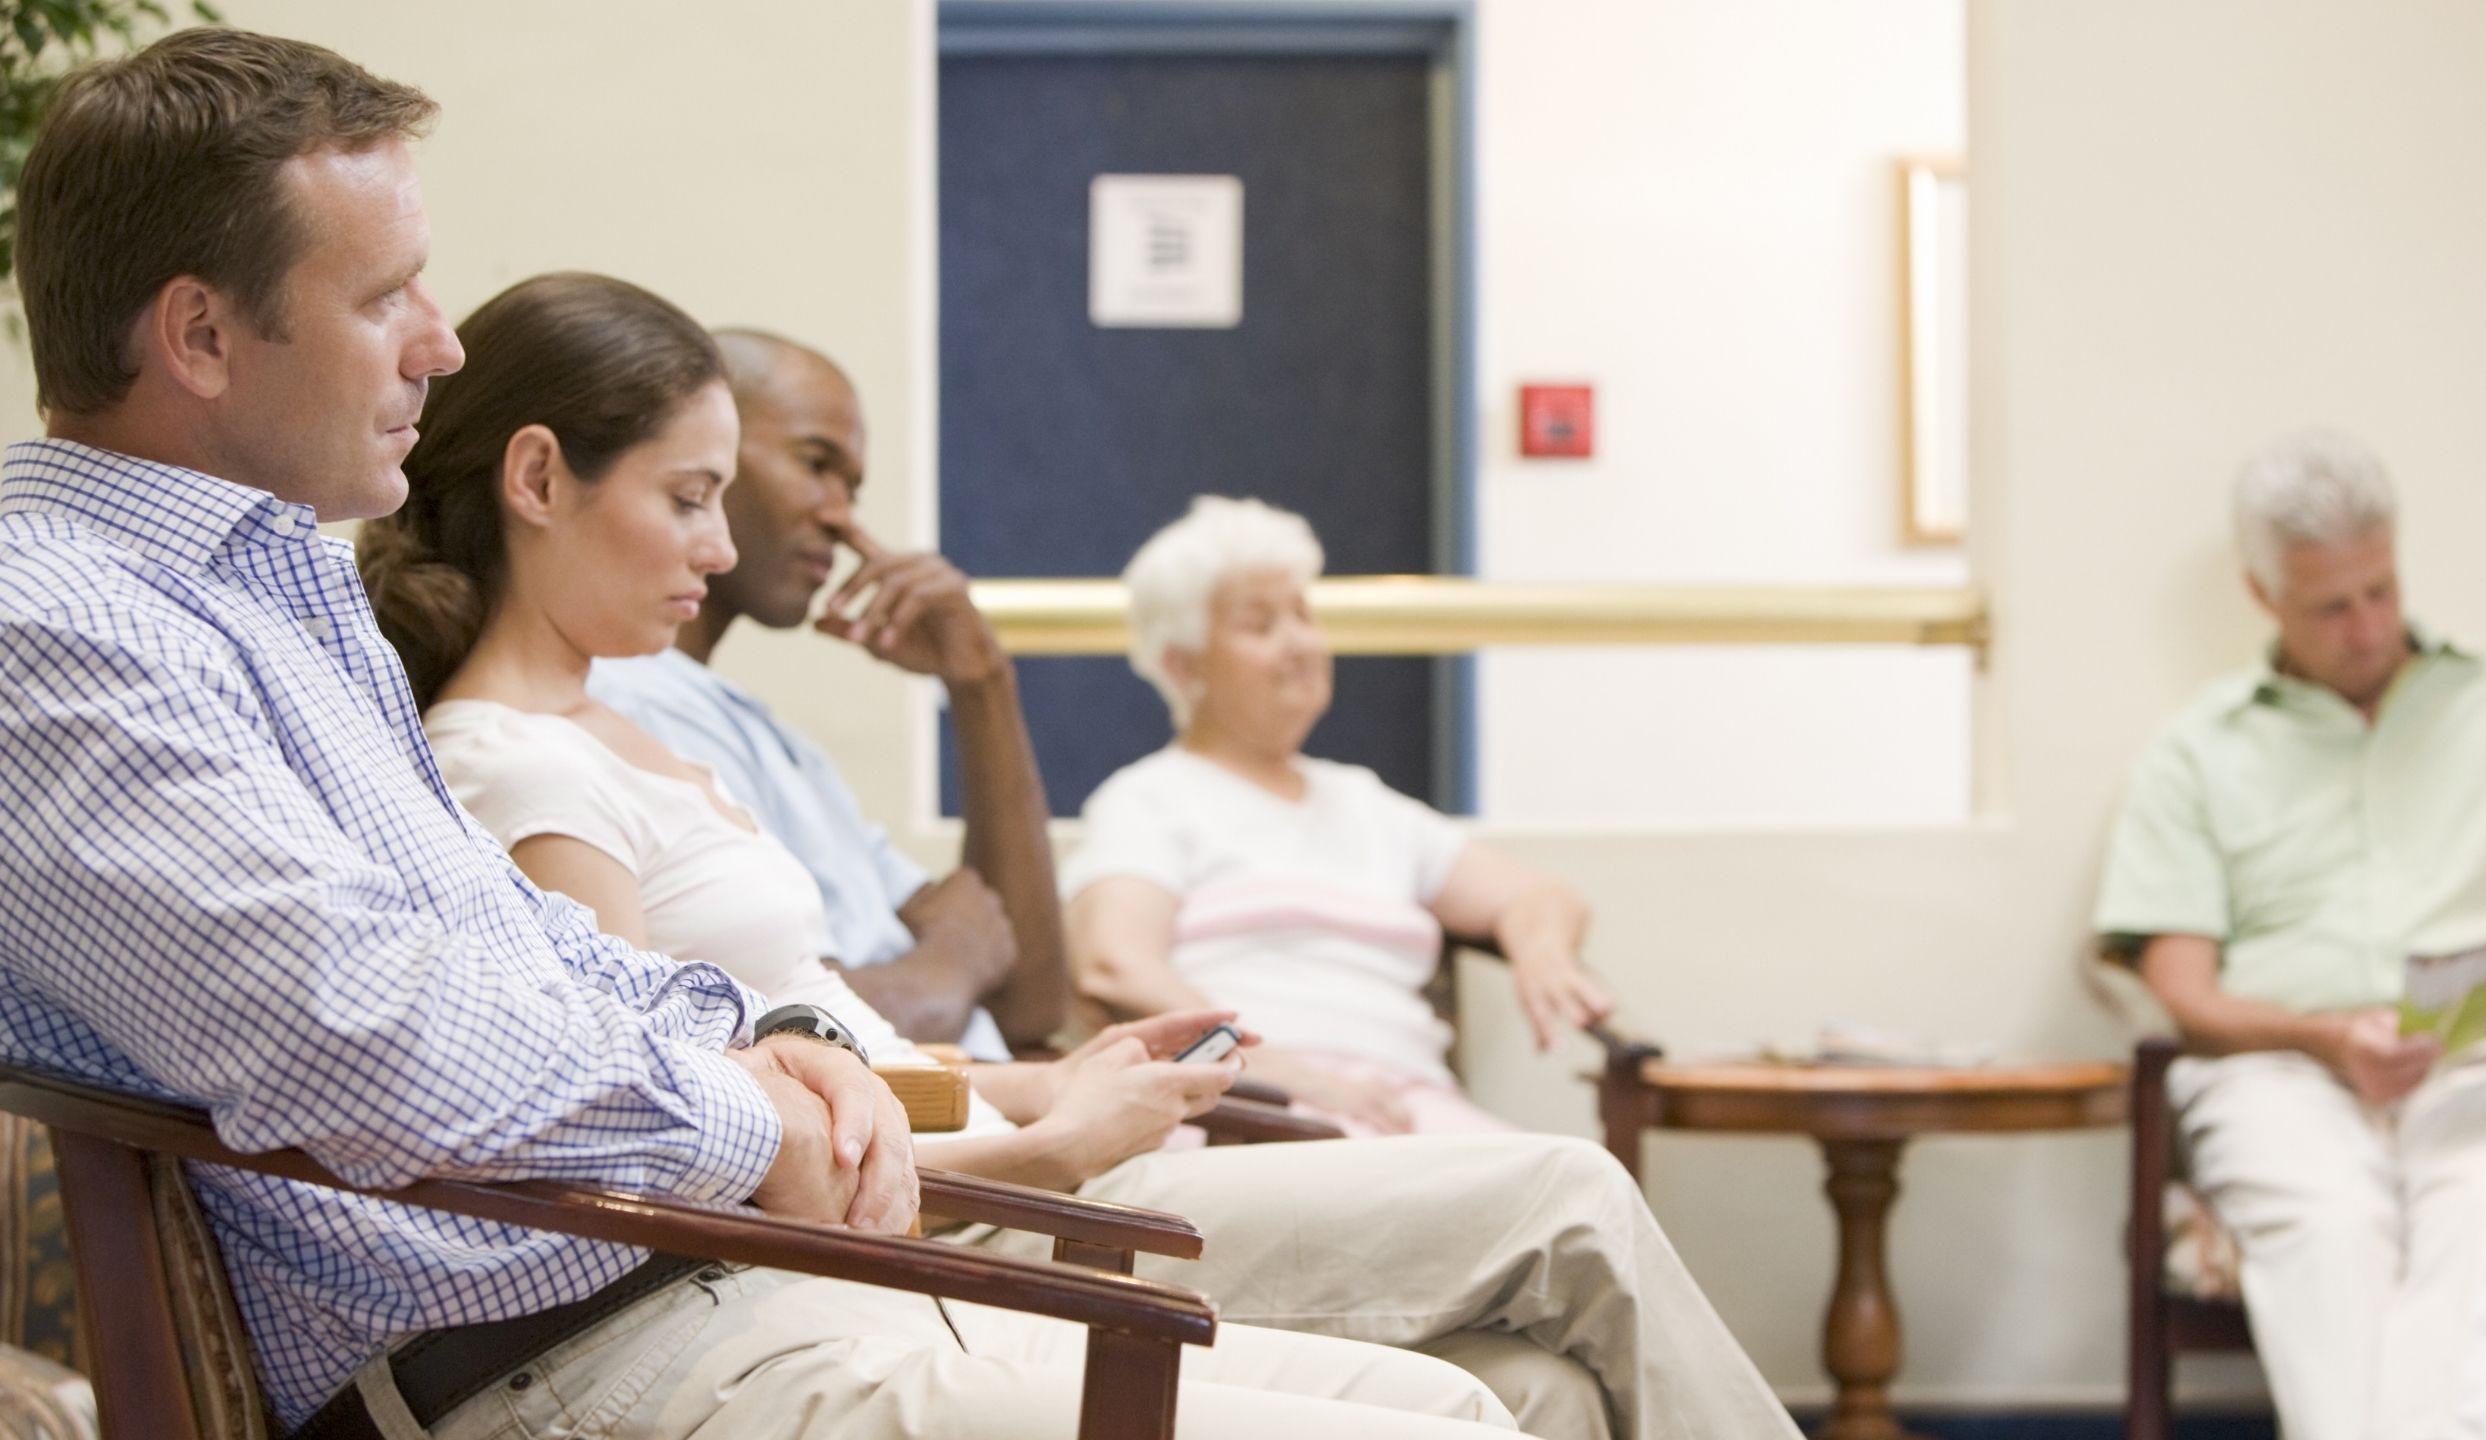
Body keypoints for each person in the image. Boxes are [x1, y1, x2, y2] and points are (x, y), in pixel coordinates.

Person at [378, 304, 1802, 1440]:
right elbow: (666, 1150)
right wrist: (1044, 1137)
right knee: (1561, 1202)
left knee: (1535, 1386)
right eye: (691, 497)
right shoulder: (512, 761)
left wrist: (1049, 1081)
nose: (722, 543)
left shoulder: (629, 733)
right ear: (539, 479)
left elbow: (818, 1048)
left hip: (934, 1174)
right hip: (867, 1244)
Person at [0, 28, 928, 1439]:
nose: (442, 340)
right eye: (386, 296)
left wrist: (769, 1039)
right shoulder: (48, 618)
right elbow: (354, 1023)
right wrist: (753, 1120)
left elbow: (518, 944)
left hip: (683, 1307)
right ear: (198, 336)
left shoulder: (268, 589)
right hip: (536, 1375)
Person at [2094, 429, 2486, 1440]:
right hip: (2277, 1072)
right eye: (2330, 606)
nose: (2367, 626)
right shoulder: (2194, 753)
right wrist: (2324, 1039)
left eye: (2380, 590)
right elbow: (2182, 990)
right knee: (2328, 1232)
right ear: (2262, 595)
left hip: (2484, 1059)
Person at [1064, 496, 1612, 1137]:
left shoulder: (1364, 803)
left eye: (1302, 614)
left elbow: (1540, 894)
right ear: (1185, 666)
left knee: (1581, 1183)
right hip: (1250, 1112)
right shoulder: (1151, 798)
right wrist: (1286, 1073)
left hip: (1404, 1105)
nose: (1298, 642)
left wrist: (1541, 949)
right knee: (1565, 1189)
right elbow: (1114, 963)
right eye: (1259, 624)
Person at [589, 328, 1061, 1061]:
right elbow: (765, 1024)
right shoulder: (623, 702)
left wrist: (982, 684)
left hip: (1001, 1120)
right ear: (706, 453)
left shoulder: (769, 736)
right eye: (817, 464)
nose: (843, 517)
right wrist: (951, 963)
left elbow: (1028, 1003)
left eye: (854, 487)